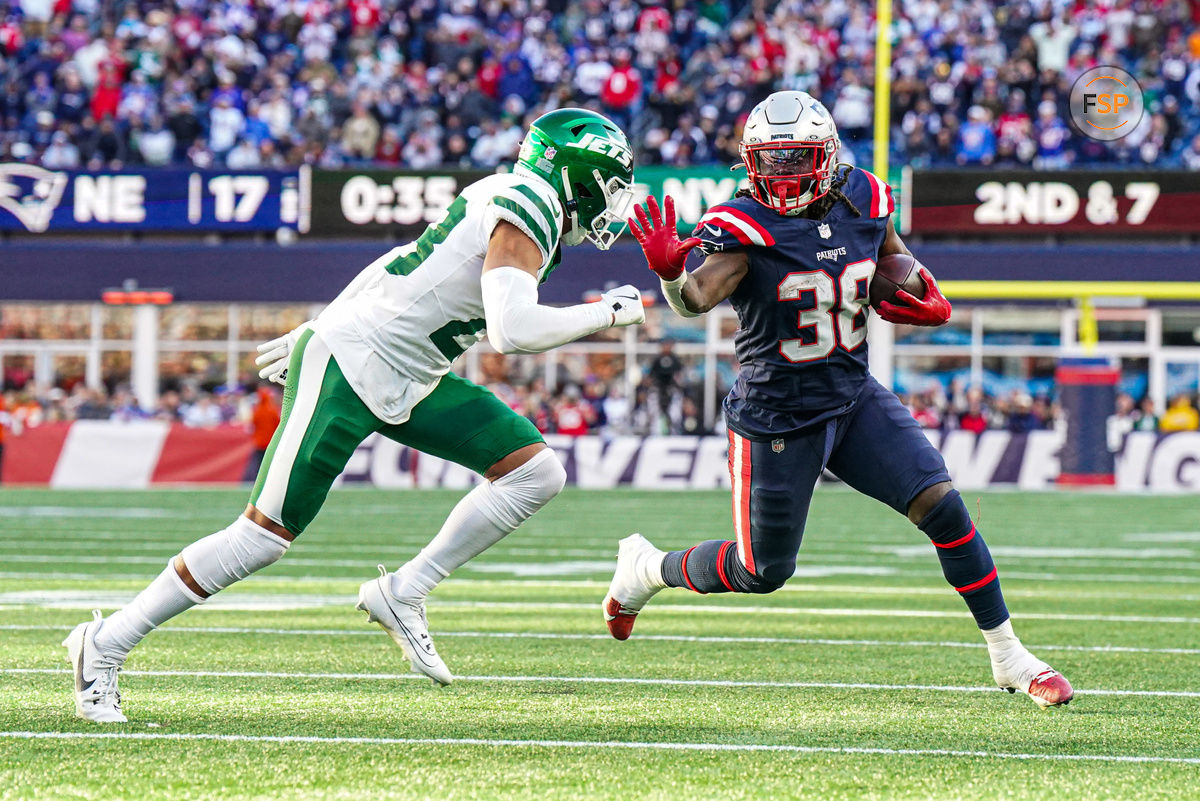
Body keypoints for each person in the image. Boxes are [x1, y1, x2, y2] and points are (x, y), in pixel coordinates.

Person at [64, 108, 643, 723]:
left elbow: (398, 258)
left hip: (411, 373)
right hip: (357, 364)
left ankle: (405, 591)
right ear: (576, 173)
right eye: (610, 185)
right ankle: (103, 645)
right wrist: (607, 312)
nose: (615, 203)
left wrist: (320, 318)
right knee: (260, 538)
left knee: (534, 473)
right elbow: (511, 330)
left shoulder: (515, 196)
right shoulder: (528, 204)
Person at [604, 90, 1072, 709]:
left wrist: (917, 287)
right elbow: (697, 298)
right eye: (769, 160)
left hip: (852, 397)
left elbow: (894, 258)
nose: (782, 172)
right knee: (761, 572)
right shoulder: (741, 226)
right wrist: (668, 275)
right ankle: (644, 569)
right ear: (750, 162)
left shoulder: (867, 197)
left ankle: (1010, 656)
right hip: (776, 415)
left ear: (825, 154)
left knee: (945, 508)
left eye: (794, 156)